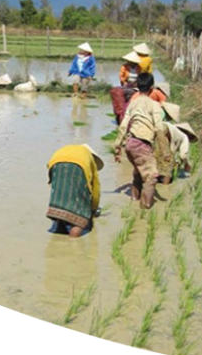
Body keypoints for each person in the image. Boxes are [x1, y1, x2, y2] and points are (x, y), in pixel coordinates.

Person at [113, 73, 164, 210]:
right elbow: (159, 128)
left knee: (138, 171)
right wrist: (165, 151)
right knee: (152, 176)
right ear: (152, 88)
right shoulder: (154, 105)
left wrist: (117, 146)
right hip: (142, 143)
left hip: (130, 144)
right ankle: (144, 209)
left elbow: (123, 125)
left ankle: (134, 199)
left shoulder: (133, 103)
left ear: (137, 86)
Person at [47, 144, 104, 238]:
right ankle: (73, 244)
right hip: (78, 167)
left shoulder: (67, 149)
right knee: (79, 217)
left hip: (55, 165)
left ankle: (59, 232)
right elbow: (96, 189)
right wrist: (92, 210)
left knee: (60, 200)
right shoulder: (88, 158)